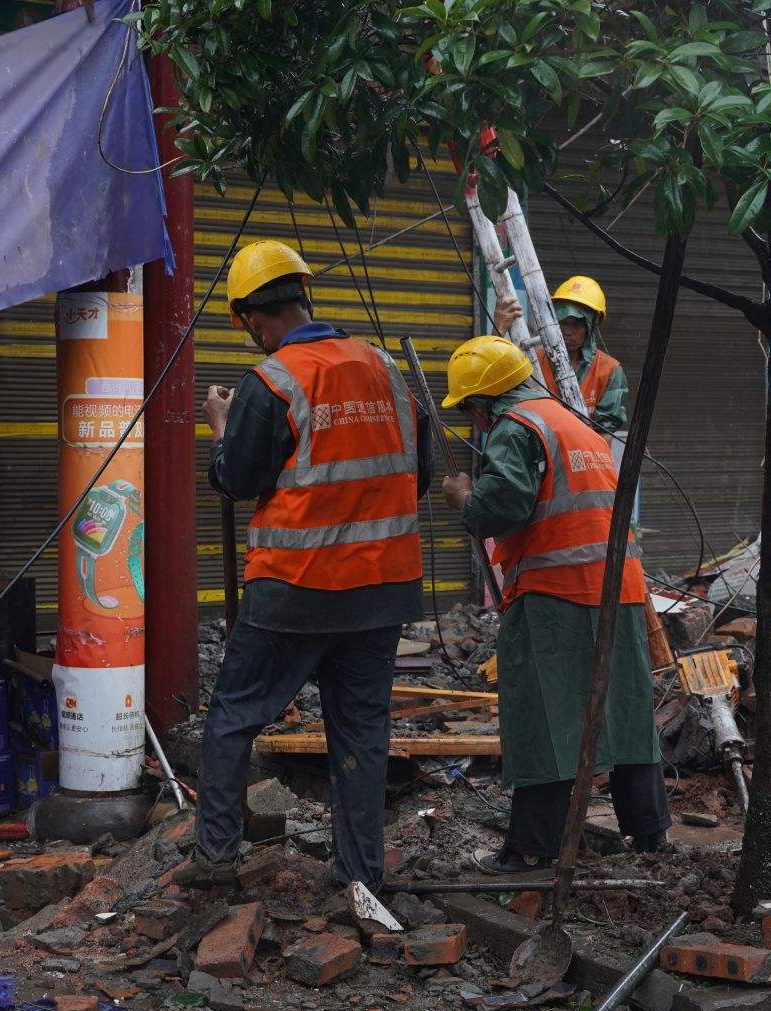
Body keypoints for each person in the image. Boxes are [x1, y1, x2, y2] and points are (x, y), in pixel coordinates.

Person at [190, 239, 432, 890]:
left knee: (235, 713)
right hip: (382, 589)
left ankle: (214, 859)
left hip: (296, 588)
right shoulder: (384, 367)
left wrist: (219, 425)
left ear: (248, 317)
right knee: (360, 735)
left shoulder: (271, 382)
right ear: (304, 294)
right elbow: (422, 473)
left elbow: (237, 478)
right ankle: (361, 878)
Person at [438, 336, 668, 874]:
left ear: (480, 403)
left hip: (555, 594)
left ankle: (531, 847)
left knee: (544, 715)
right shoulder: (572, 423)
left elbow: (503, 507)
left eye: (469, 412)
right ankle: (651, 833)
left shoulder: (516, 428)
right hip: (620, 590)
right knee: (627, 713)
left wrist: (463, 500)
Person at [493, 275, 628, 433]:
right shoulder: (533, 360)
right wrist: (498, 330)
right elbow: (493, 383)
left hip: (584, 453)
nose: (567, 332)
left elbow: (605, 435)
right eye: (563, 322)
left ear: (590, 326)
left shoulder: (609, 371)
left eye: (576, 324)